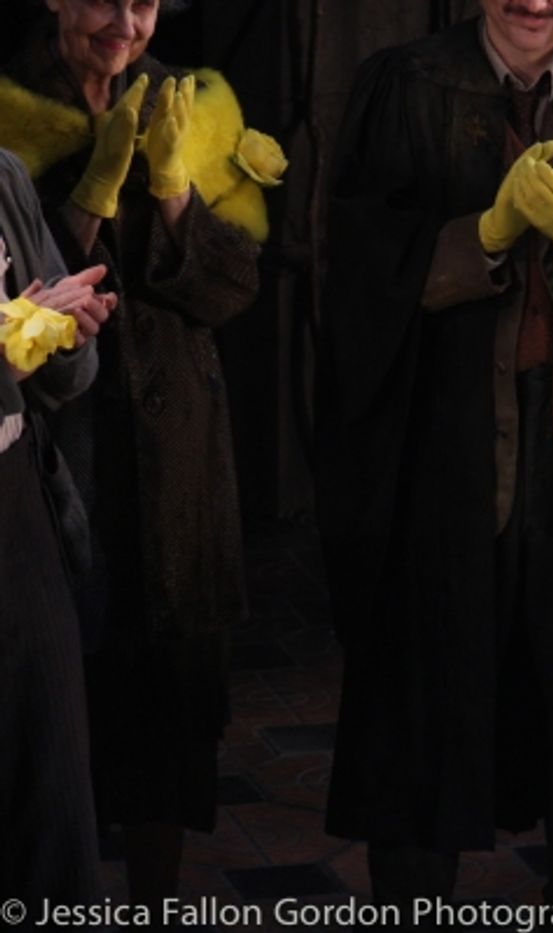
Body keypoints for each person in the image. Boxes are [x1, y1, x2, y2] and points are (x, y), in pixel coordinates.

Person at [314, 0, 553, 906]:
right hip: (442, 453)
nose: (535, 1)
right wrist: (478, 238)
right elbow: (356, 265)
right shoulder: (406, 85)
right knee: (426, 693)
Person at [0, 0, 271, 906]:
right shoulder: (8, 106)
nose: (124, 21)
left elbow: (236, 287)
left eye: (145, 2)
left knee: (169, 705)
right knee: (54, 702)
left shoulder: (197, 100)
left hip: (177, 447)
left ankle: (156, 902)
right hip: (54, 442)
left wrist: (174, 191)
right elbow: (27, 290)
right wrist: (91, 192)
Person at [0, 147, 116, 908]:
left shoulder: (3, 176)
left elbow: (65, 376)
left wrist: (67, 331)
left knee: (49, 796)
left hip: (13, 504)